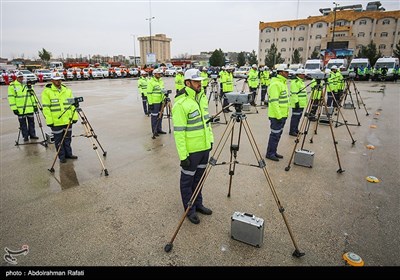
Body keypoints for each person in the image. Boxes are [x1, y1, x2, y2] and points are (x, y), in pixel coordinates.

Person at [172, 68, 214, 225]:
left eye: (200, 81)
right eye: (196, 82)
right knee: (187, 182)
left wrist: (210, 140)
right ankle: (189, 210)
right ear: (187, 83)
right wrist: (183, 156)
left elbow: (206, 123)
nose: (200, 84)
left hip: (204, 148)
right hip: (191, 152)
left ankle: (198, 204)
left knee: (199, 179)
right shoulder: (181, 104)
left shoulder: (201, 99)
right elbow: (179, 133)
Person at [41, 72, 78, 163]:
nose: (58, 81)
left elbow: (72, 105)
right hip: (56, 121)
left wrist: (74, 117)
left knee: (67, 139)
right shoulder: (47, 92)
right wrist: (49, 120)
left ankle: (68, 154)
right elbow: (46, 108)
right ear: (52, 80)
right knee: (58, 140)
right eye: (56, 80)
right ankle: (62, 156)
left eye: (59, 79)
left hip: (67, 120)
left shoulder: (67, 90)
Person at [265, 65, 290, 161]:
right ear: (280, 72)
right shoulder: (275, 84)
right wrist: (279, 116)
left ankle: (273, 151)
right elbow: (274, 102)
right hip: (277, 116)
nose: (288, 73)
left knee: (278, 135)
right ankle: (270, 153)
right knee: (274, 135)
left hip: (283, 115)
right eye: (286, 72)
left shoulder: (282, 82)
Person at [8, 72, 39, 142]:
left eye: (22, 77)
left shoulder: (27, 85)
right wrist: (14, 108)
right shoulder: (12, 86)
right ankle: (25, 136)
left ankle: (32, 135)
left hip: (30, 108)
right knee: (23, 124)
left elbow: (32, 95)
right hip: (20, 109)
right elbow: (11, 98)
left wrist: (35, 105)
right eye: (19, 77)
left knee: (31, 123)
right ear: (16, 78)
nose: (21, 78)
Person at [147, 68, 167, 136]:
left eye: (160, 73)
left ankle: (159, 129)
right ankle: (154, 130)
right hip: (154, 102)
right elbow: (149, 93)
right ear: (154, 74)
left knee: (160, 115)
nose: (159, 75)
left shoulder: (161, 81)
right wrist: (150, 103)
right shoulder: (150, 82)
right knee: (154, 117)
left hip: (161, 101)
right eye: (158, 73)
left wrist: (164, 99)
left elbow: (163, 91)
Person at [289, 69, 308, 136]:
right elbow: (294, 93)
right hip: (297, 103)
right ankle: (292, 131)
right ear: (299, 74)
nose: (304, 75)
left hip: (301, 103)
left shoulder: (301, 82)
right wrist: (296, 102)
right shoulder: (295, 82)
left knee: (298, 117)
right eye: (302, 74)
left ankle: (296, 129)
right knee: (295, 118)